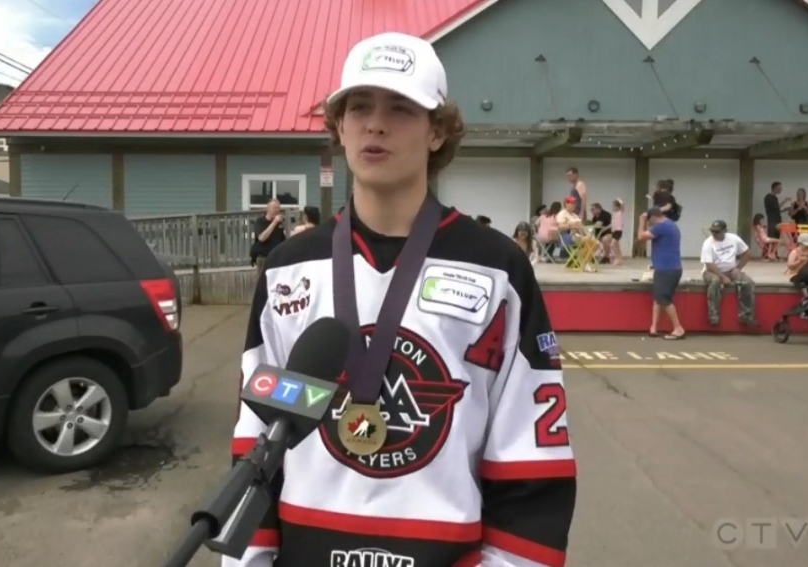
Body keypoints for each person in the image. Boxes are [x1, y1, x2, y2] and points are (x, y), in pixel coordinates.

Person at [225, 31, 576, 567]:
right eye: (359, 106)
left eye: (402, 108)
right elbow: (260, 438)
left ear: (437, 131)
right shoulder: (289, 269)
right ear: (339, 127)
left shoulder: (498, 268)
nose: (376, 123)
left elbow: (533, 454)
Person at [636, 207, 685, 339]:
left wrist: (641, 221)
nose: (649, 224)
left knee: (664, 299)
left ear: (652, 218)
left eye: (649, 221)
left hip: (666, 268)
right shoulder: (671, 225)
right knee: (659, 297)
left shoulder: (661, 227)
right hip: (668, 267)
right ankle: (654, 327)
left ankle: (678, 328)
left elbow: (641, 237)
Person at [699, 220, 758, 327]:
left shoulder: (733, 238)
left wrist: (738, 268)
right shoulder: (708, 243)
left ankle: (746, 316)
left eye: (717, 232)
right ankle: (713, 316)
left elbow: (747, 252)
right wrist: (722, 277)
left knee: (748, 283)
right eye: (713, 231)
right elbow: (709, 264)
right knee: (715, 282)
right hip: (712, 271)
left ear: (725, 231)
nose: (714, 234)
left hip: (731, 269)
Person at [251, 199, 287, 276]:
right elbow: (261, 238)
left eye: (278, 208)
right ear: (268, 208)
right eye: (275, 208)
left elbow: (282, 240)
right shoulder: (260, 222)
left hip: (276, 258)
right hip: (264, 258)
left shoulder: (279, 223)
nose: (277, 210)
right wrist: (274, 223)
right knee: (263, 283)